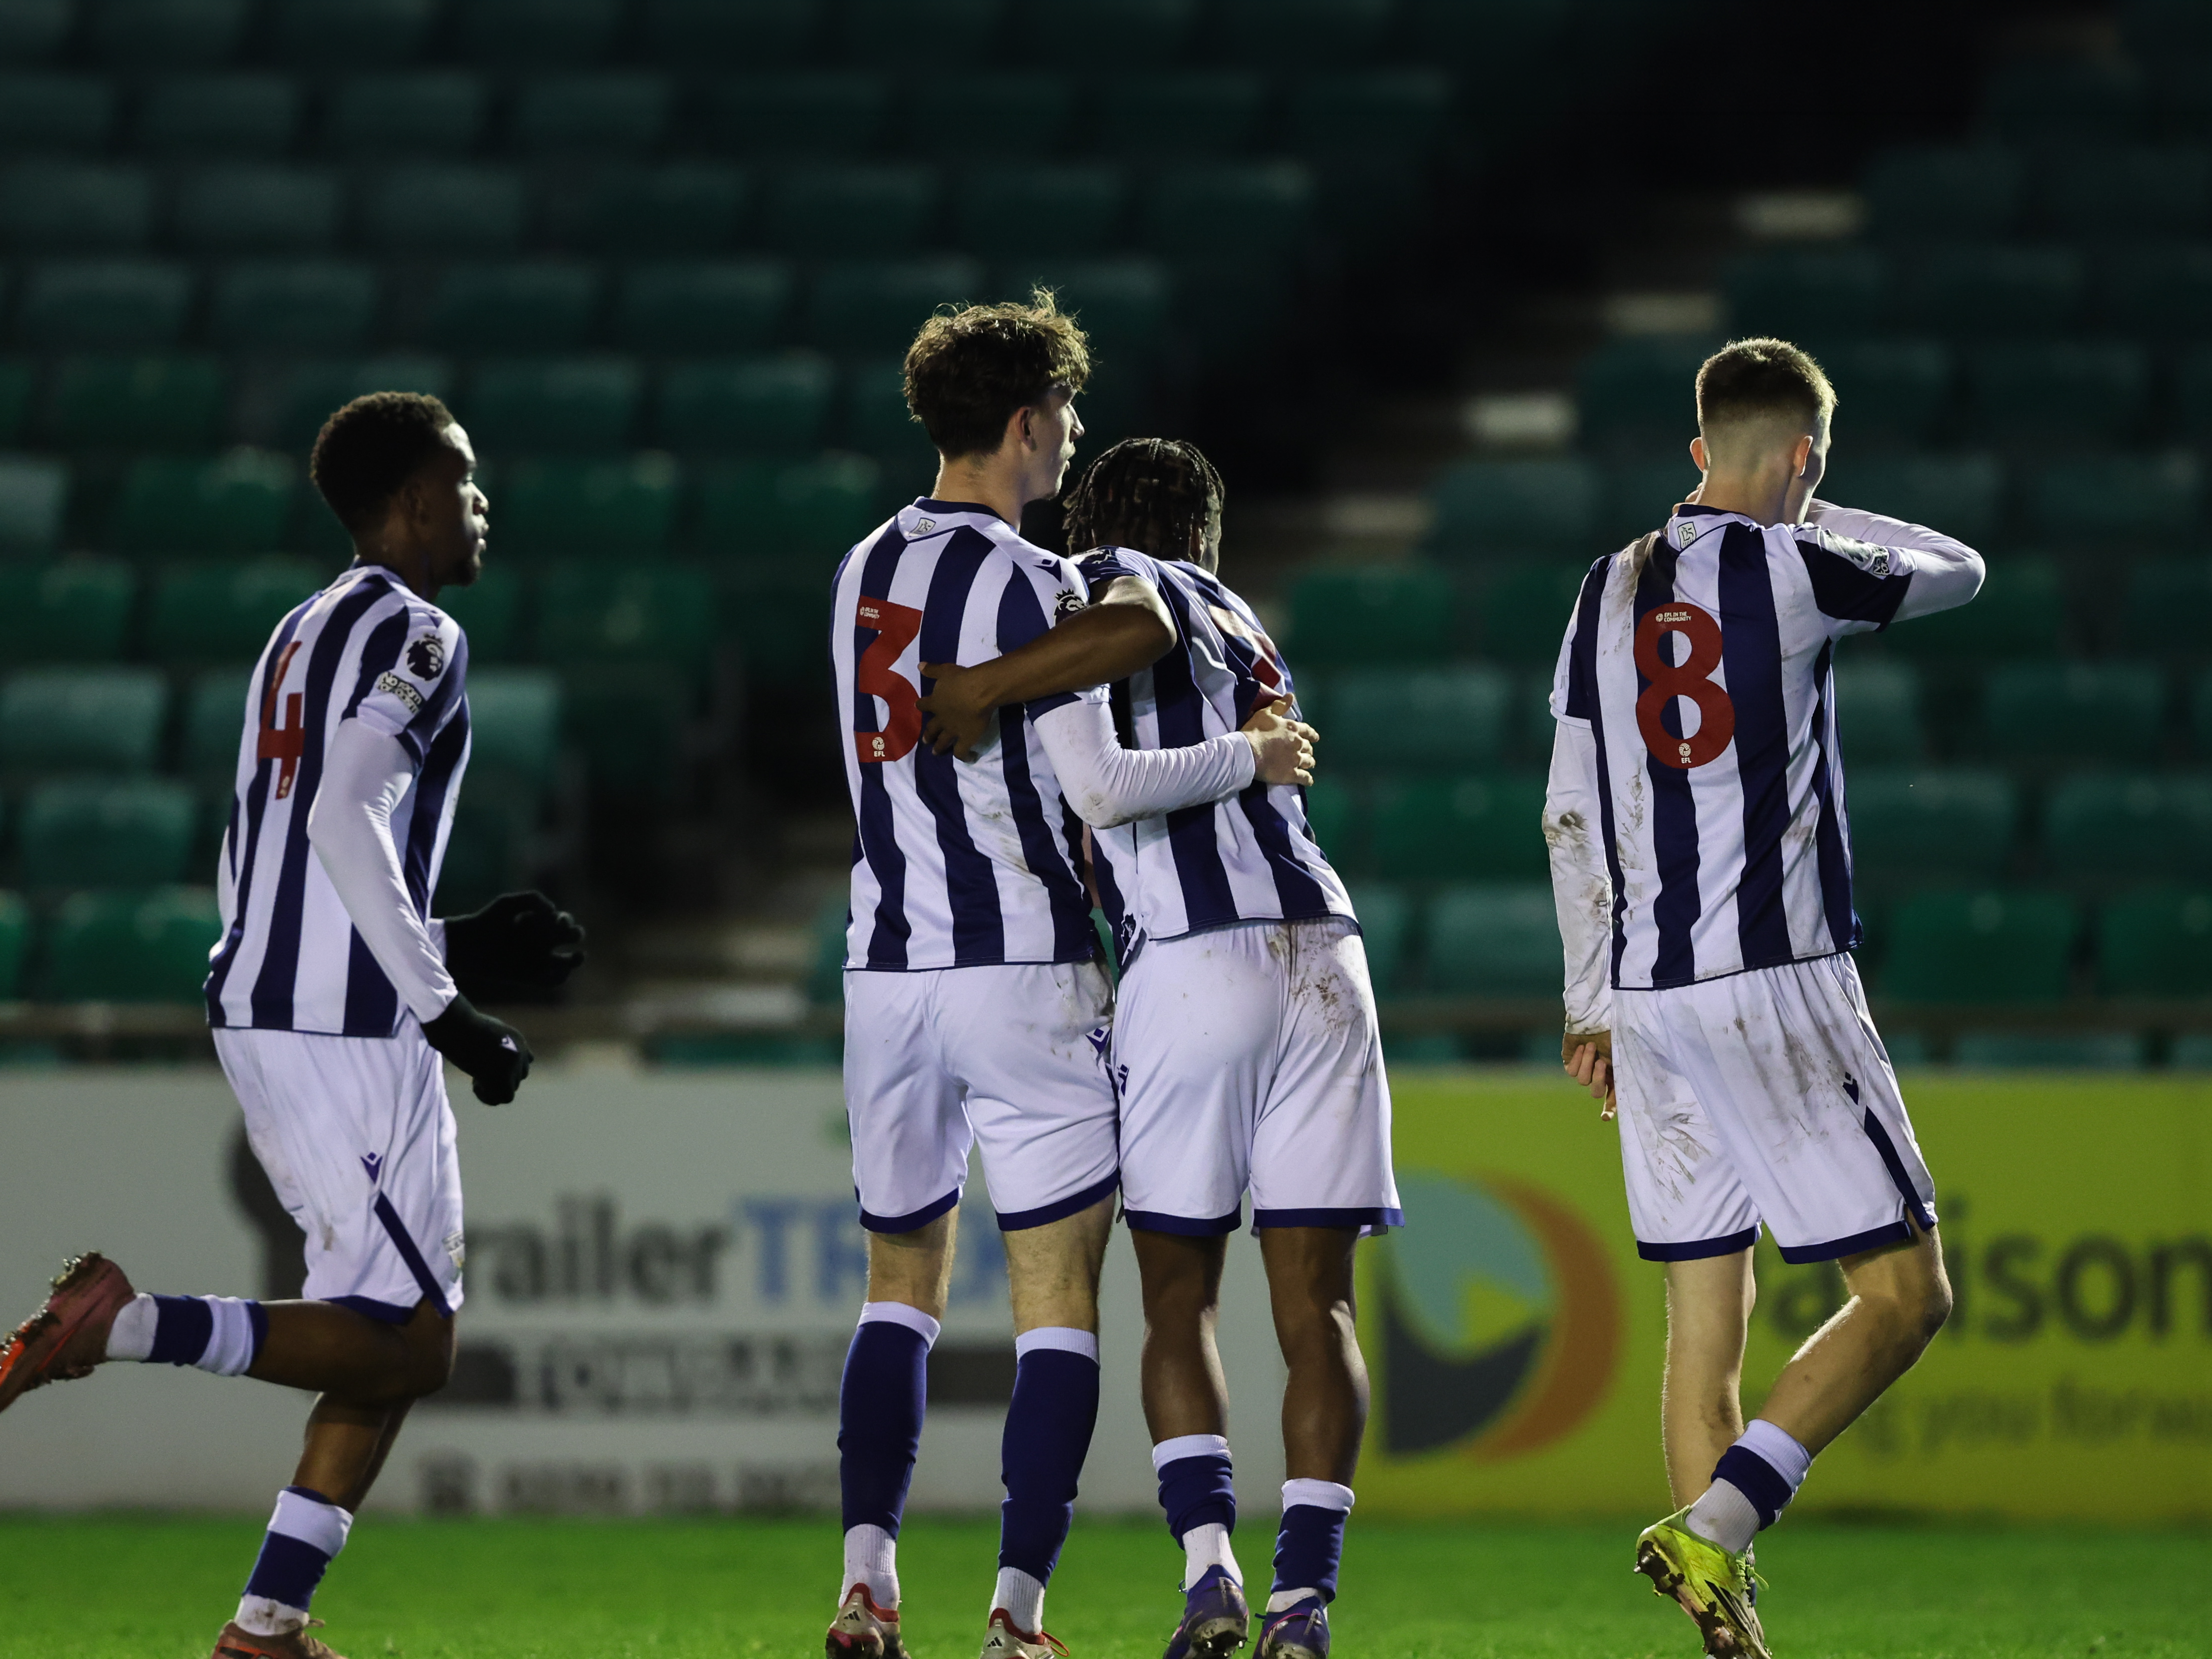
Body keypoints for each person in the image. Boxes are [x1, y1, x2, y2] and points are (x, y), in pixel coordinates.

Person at [0, 393, 584, 1659]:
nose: (480, 501)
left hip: (279, 999)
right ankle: (125, 1320)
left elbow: (282, 839)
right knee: (413, 1344)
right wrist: (450, 1009)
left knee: (383, 1332)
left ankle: (269, 1621)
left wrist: (461, 936)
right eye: (466, 478)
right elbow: (339, 819)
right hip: (352, 1024)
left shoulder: (296, 631)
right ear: (416, 498)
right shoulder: (422, 635)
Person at [828, 299, 1316, 1659]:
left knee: (894, 1285)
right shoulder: (1037, 582)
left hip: (882, 970)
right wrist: (1252, 755)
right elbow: (1105, 748)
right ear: (1029, 422)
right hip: (1022, 963)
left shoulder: (858, 567)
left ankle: (865, 1580)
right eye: (1068, 411)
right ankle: (1014, 1611)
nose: (1076, 435)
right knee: (1054, 1293)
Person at [919, 437, 1398, 1659]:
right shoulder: (1242, 614)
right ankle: (1307, 1596)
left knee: (1178, 1296)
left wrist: (984, 681)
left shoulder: (1114, 580)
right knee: (1321, 1307)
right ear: (1213, 528)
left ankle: (1210, 1574)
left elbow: (1106, 780)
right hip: (1327, 957)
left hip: (1196, 960)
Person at [1543, 339, 1981, 1659]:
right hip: (1775, 981)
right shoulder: (1794, 565)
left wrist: (1587, 1002)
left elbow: (1567, 807)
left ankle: (1720, 1631)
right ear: (1800, 456)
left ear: (1693, 452)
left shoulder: (1600, 587)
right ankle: (1715, 1525)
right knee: (1906, 1295)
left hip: (1647, 996)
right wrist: (1814, 505)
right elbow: (1959, 568)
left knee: (1702, 1322)